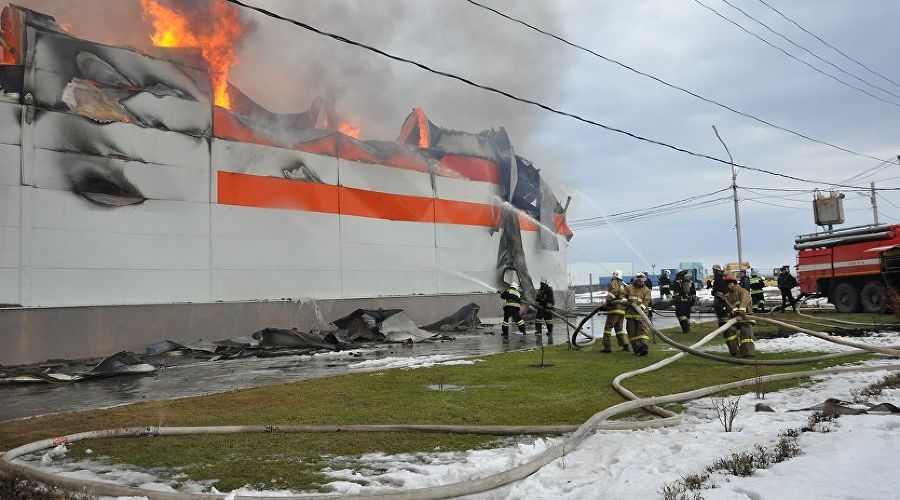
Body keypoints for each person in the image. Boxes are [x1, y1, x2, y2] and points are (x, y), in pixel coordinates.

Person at [723, 274, 755, 357]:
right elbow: (730, 306)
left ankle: (748, 354)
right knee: (728, 331)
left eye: (730, 284)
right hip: (734, 319)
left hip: (746, 317)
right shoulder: (727, 296)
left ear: (735, 284)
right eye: (727, 284)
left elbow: (745, 301)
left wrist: (741, 312)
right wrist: (735, 313)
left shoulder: (743, 291)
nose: (728, 286)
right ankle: (735, 352)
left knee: (746, 333)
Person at [601, 270, 630, 353]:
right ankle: (625, 345)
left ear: (615, 275)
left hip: (614, 308)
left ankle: (607, 347)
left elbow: (613, 292)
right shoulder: (623, 284)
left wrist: (608, 301)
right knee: (619, 328)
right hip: (622, 309)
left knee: (608, 327)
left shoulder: (614, 282)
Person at [625, 272, 652, 356]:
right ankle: (637, 349)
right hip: (630, 315)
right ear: (635, 280)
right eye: (639, 280)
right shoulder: (628, 288)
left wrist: (641, 307)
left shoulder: (646, 290)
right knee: (631, 333)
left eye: (642, 281)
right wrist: (625, 301)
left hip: (641, 315)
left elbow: (647, 301)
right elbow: (622, 296)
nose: (641, 282)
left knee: (642, 332)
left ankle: (644, 348)